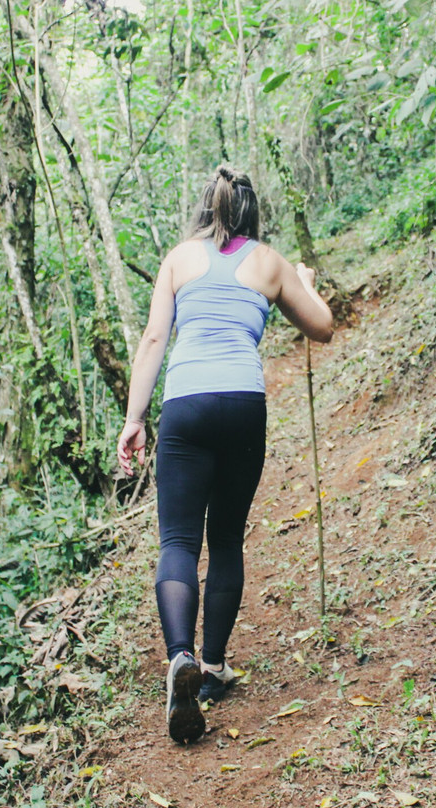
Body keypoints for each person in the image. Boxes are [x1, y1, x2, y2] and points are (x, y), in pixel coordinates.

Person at [116, 165, 333, 743]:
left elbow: (155, 339)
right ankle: (211, 668)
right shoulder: (269, 262)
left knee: (178, 541)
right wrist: (304, 282)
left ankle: (179, 657)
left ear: (205, 208)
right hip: (242, 403)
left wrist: (135, 419)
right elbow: (323, 327)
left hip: (185, 404)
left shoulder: (178, 259)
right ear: (252, 213)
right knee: (227, 539)